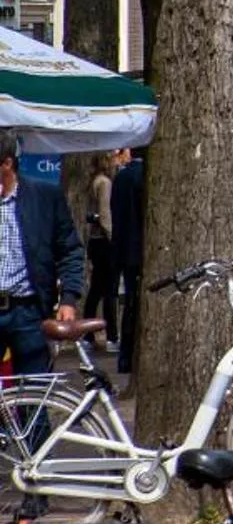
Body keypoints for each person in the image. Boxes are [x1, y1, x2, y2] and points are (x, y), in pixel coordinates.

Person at [0, 132, 88, 378]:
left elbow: (69, 249)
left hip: (27, 311)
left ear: (7, 164)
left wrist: (69, 298)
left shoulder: (44, 196)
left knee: (33, 393)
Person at [82, 148, 129, 356]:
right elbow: (105, 214)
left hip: (95, 242)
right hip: (104, 242)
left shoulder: (95, 181)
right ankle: (111, 335)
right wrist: (114, 238)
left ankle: (88, 334)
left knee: (96, 290)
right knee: (109, 290)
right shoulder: (105, 183)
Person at [110, 150, 143, 373]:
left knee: (130, 303)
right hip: (138, 248)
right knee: (134, 304)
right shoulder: (141, 176)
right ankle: (128, 356)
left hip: (124, 250)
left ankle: (125, 357)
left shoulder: (121, 177)